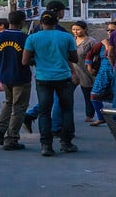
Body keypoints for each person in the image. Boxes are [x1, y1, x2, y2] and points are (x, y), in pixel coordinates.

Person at [22, 10, 78, 156]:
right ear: (56, 22)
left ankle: (46, 146)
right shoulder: (66, 37)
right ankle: (66, 143)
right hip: (64, 78)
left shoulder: (32, 38)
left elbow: (25, 61)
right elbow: (74, 58)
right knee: (66, 110)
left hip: (43, 78)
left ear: (41, 24)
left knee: (44, 112)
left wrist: (38, 61)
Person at [24, 1, 69, 134]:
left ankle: (31, 115)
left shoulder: (37, 30)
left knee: (48, 100)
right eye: (62, 10)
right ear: (58, 12)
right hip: (59, 70)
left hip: (42, 71)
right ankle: (56, 127)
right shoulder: (61, 32)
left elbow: (27, 57)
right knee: (58, 100)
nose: (63, 13)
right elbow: (71, 55)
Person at [0, 11, 32, 151]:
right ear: (22, 22)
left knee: (8, 102)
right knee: (19, 107)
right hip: (21, 76)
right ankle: (12, 138)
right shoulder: (26, 38)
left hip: (5, 75)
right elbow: (28, 59)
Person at [86, 21, 116, 127]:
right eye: (108, 30)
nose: (110, 32)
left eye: (113, 30)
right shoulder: (102, 43)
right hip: (103, 73)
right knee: (94, 95)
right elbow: (89, 54)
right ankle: (101, 117)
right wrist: (89, 66)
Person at [70, 21, 96, 123]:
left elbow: (96, 57)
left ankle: (89, 115)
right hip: (72, 72)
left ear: (85, 29)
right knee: (66, 93)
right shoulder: (71, 40)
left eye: (78, 29)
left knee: (87, 94)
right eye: (73, 30)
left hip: (86, 72)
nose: (75, 32)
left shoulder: (91, 42)